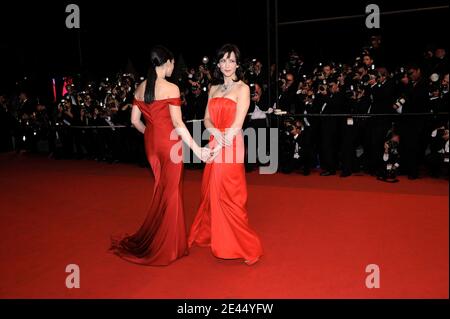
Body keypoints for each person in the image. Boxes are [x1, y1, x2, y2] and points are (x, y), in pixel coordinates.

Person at [110, 45, 213, 266]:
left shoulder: (140, 88)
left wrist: (152, 134)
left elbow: (134, 121)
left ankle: (168, 241)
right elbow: (177, 123)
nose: (173, 68)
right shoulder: (171, 88)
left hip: (152, 145)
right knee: (171, 193)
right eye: (173, 64)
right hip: (170, 144)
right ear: (166, 62)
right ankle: (167, 247)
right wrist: (198, 149)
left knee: (162, 190)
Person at [188, 44, 263, 265]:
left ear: (237, 63)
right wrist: (213, 134)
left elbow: (238, 123)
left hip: (231, 143)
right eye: (223, 61)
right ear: (218, 64)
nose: (227, 65)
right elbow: (206, 119)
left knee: (230, 194)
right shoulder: (213, 88)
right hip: (215, 140)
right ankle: (215, 234)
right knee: (211, 189)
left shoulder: (243, 88)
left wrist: (220, 144)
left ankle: (244, 246)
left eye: (231, 60)